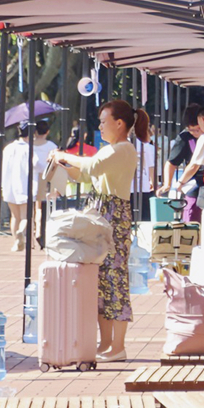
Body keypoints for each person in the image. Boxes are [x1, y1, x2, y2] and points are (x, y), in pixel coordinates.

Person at [48, 98, 137, 361]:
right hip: (100, 214)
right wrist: (63, 167)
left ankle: (117, 346)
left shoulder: (122, 149)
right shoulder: (111, 149)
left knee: (115, 279)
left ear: (119, 123)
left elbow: (91, 167)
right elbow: (85, 175)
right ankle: (106, 342)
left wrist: (64, 155)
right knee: (100, 280)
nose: (99, 126)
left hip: (112, 217)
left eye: (103, 121)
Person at [1, 118, 54, 252]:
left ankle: (16, 241)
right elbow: (37, 165)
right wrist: (47, 170)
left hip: (9, 186)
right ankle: (21, 232)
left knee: (14, 216)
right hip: (25, 186)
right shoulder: (29, 149)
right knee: (26, 217)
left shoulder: (8, 148)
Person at [160, 103, 203, 221]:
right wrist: (167, 184)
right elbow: (171, 162)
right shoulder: (185, 137)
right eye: (191, 130)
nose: (195, 133)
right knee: (192, 217)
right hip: (194, 186)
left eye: (198, 129)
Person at [129, 109, 158, 221]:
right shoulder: (147, 146)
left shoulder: (120, 145)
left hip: (125, 189)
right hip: (143, 188)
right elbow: (151, 167)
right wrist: (153, 182)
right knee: (143, 222)